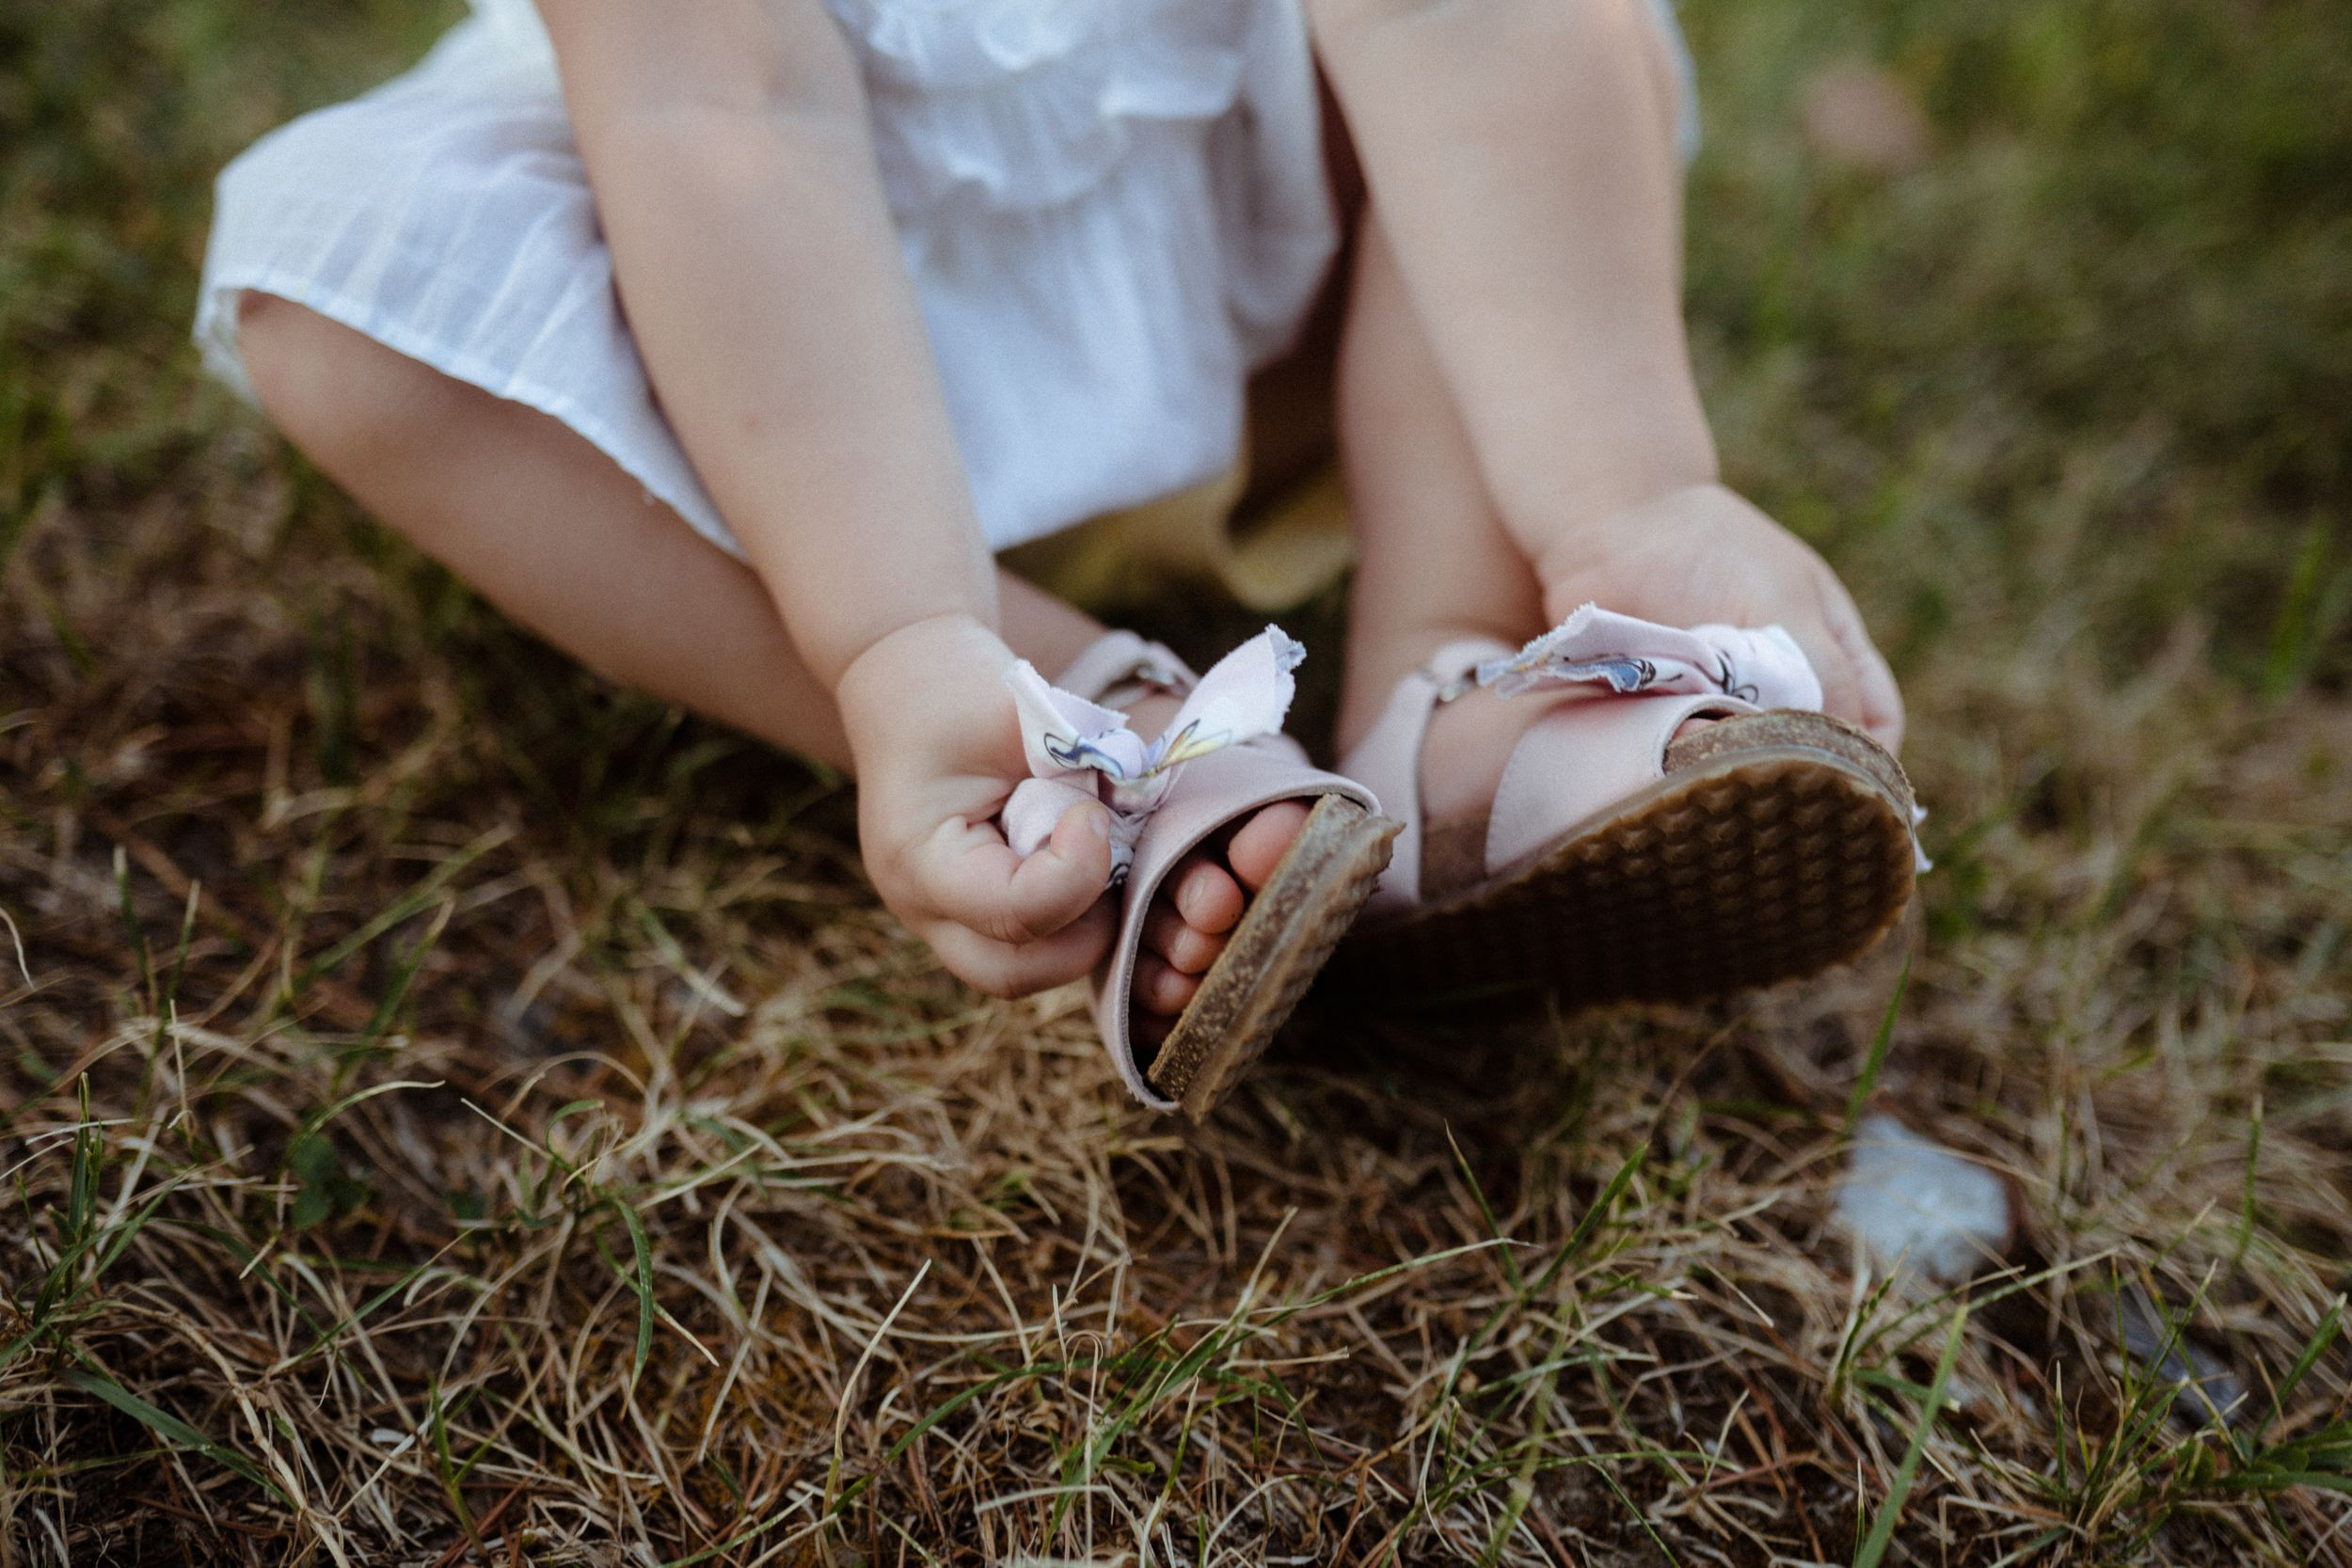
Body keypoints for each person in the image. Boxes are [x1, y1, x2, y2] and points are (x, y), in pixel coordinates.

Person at [195, 0, 1915, 1117]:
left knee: (1541, 63)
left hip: (1270, 280)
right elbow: (722, 120)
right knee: (346, 315)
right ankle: (1086, 723)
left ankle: (1446, 681)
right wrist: (900, 629)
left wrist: (1629, 491)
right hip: (788, 377)